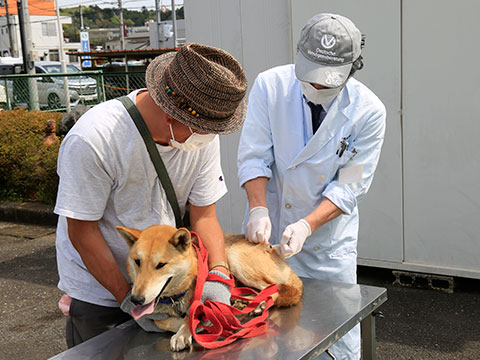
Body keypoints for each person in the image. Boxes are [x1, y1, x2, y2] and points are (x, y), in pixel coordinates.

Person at [54, 43, 247, 348]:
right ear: (172, 117)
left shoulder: (201, 135)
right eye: (203, 130)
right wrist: (129, 300)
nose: (209, 138)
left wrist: (219, 275)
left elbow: (204, 214)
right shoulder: (94, 139)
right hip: (103, 295)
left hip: (170, 288)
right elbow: (81, 232)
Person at [237, 13, 386, 359]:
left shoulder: (368, 112)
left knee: (335, 336)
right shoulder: (270, 86)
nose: (317, 87)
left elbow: (349, 183)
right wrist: (258, 207)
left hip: (326, 248)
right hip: (268, 238)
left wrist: (307, 225)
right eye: (311, 78)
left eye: (327, 81)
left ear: (352, 69)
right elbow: (255, 156)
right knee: (268, 335)